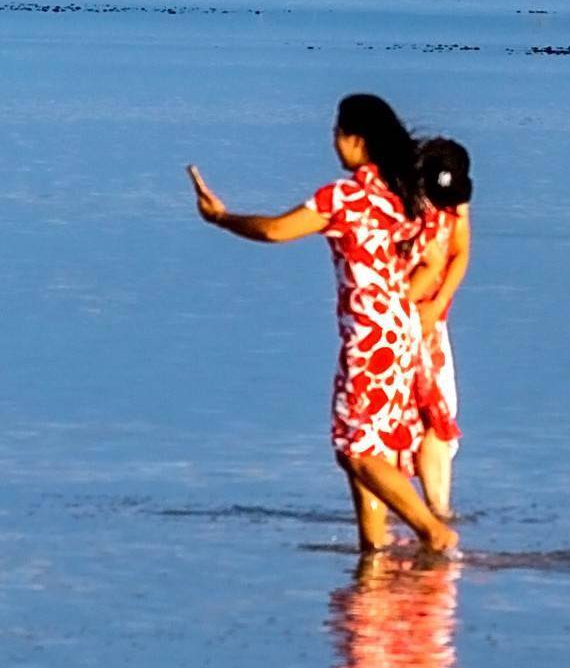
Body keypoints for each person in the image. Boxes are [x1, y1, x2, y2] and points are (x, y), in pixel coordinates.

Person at [188, 92, 462, 555]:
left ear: (357, 140)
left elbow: (275, 230)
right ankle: (374, 551)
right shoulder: (406, 197)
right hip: (400, 331)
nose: (334, 142)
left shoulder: (344, 198)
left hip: (370, 334)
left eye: (338, 132)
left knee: (357, 449)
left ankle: (433, 533)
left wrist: (220, 218)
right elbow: (435, 260)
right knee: (365, 446)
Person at [410, 136, 477, 516]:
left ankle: (438, 511)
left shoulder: (457, 204)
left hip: (434, 319)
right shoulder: (404, 200)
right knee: (413, 413)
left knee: (438, 414)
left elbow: (460, 251)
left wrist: (436, 305)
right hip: (401, 317)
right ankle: (425, 516)